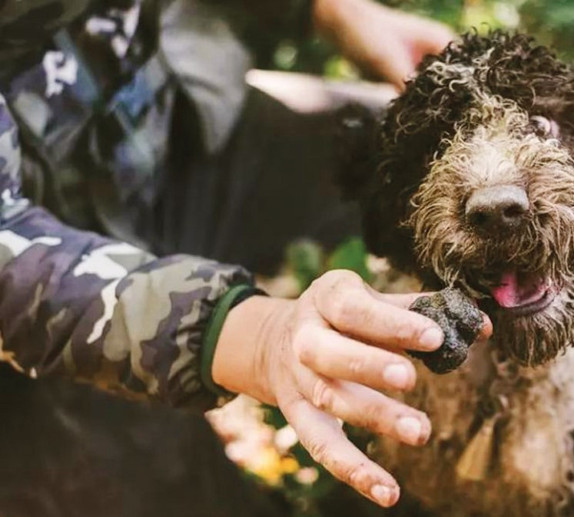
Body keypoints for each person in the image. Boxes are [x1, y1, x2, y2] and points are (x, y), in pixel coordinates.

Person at [0, 0, 475, 509]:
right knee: (174, 488)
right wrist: (253, 337)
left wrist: (328, 10)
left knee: (419, 165)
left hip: (176, 129)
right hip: (43, 298)